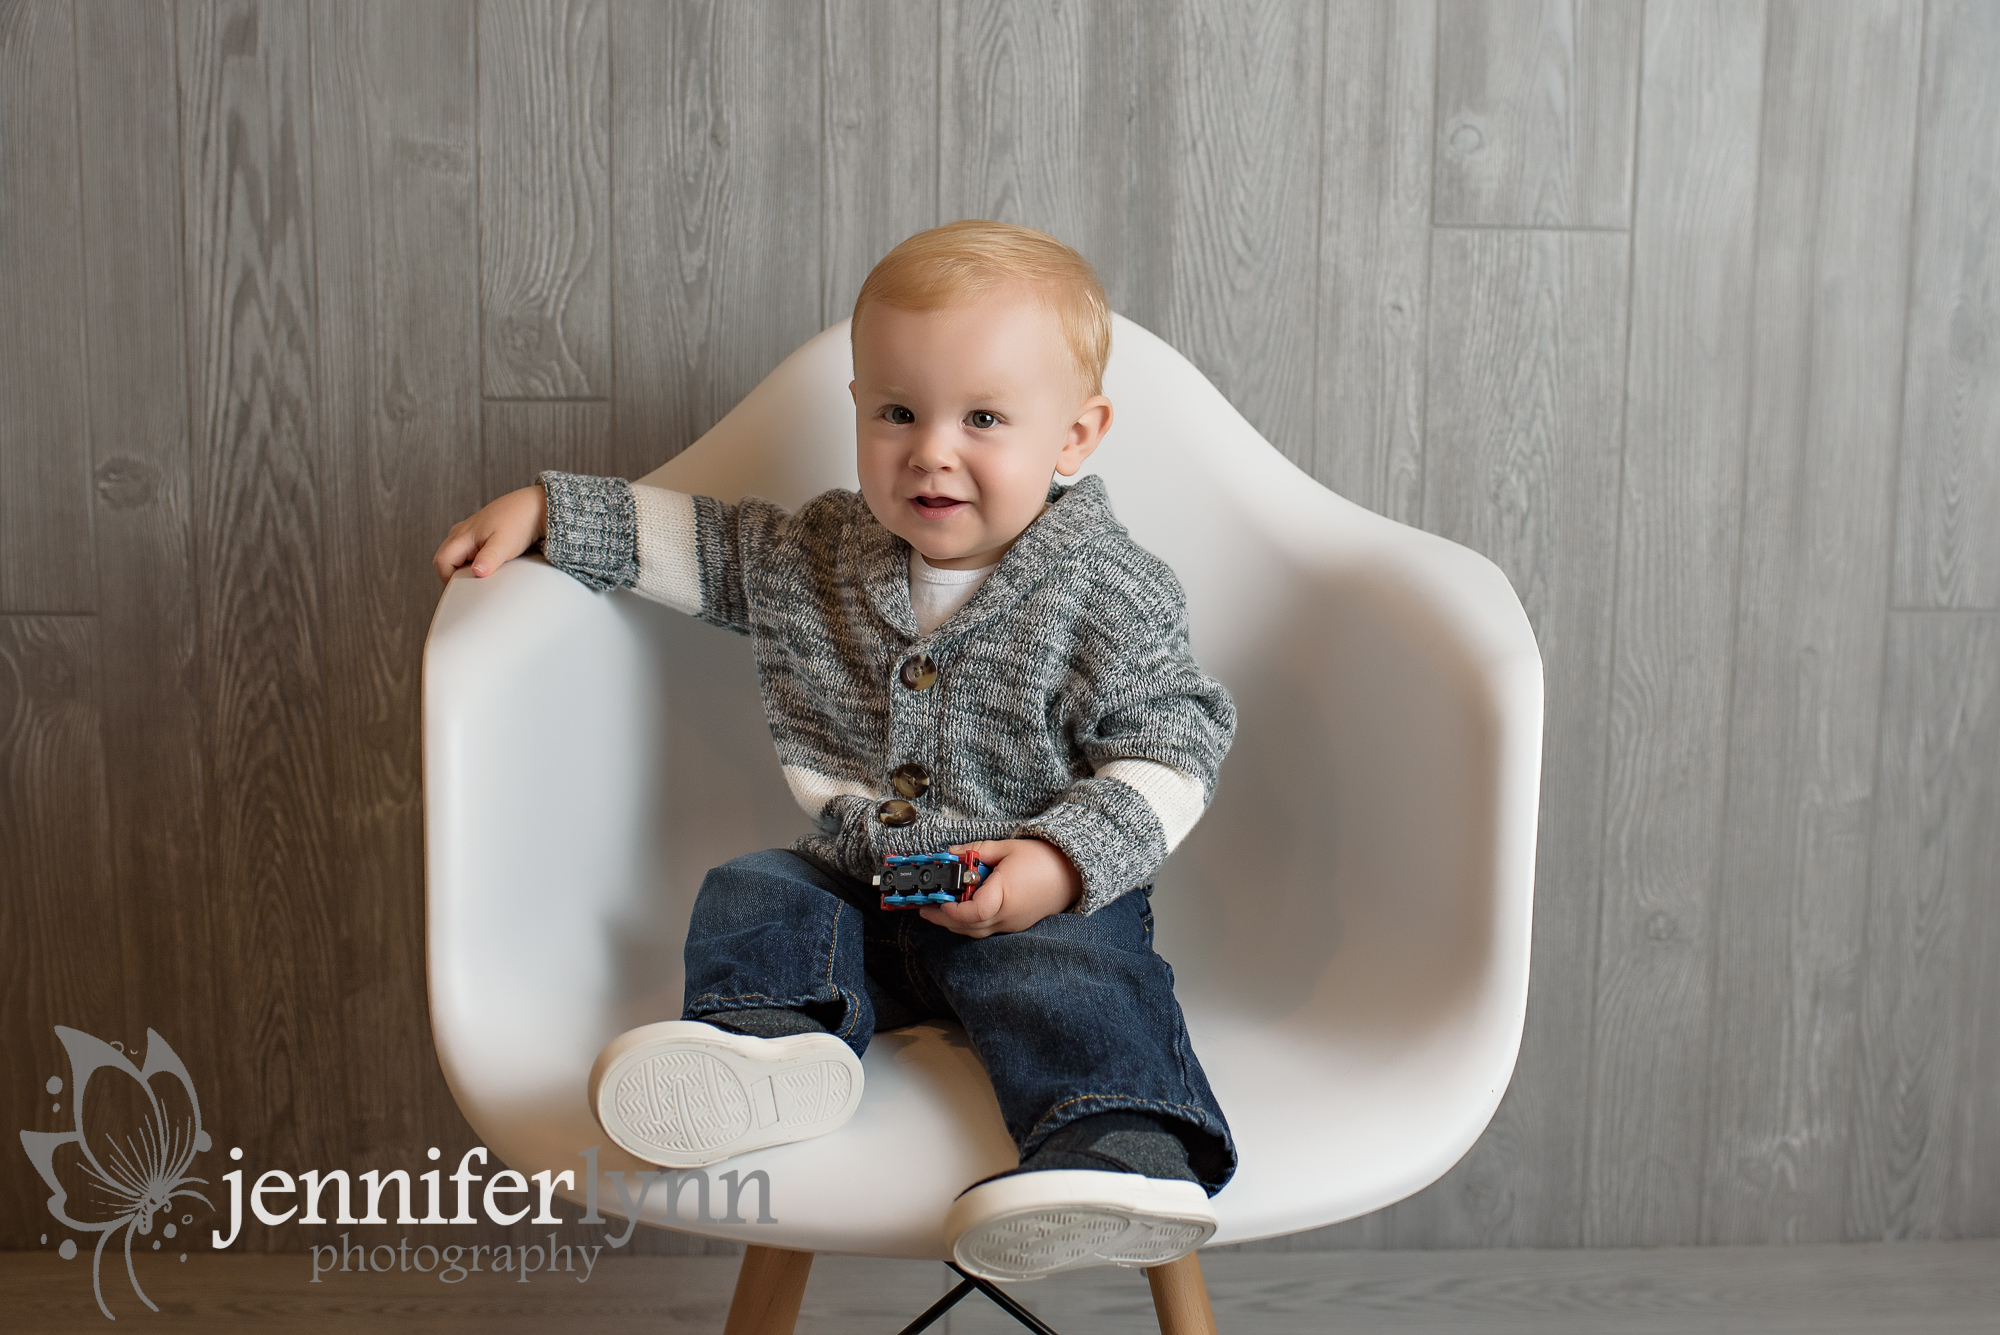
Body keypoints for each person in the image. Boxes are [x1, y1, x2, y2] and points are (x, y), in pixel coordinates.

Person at [431, 220, 1236, 1281]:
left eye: (982, 419)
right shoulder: (824, 551)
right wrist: (553, 511)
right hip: (865, 885)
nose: (930, 451)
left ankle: (1120, 1149)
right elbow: (707, 546)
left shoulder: (1107, 591)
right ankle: (769, 1048)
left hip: (1032, 891)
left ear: (1074, 438)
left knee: (1073, 975)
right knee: (758, 888)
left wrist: (1060, 863)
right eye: (896, 413)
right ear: (856, 409)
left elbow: (1175, 741)